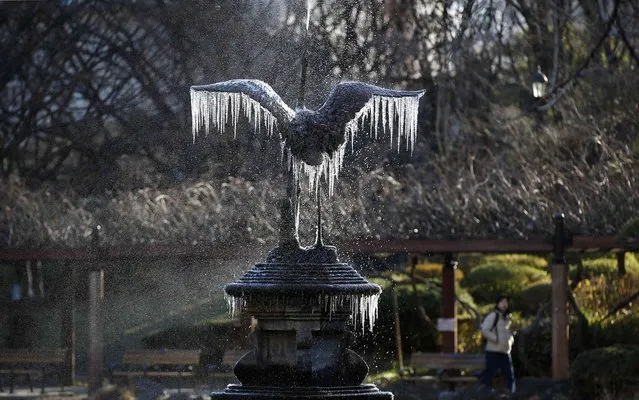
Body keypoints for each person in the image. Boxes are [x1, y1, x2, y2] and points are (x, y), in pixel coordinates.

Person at [479, 295, 516, 394]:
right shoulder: (493, 316)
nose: (504, 304)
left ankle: (512, 395)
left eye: (506, 302)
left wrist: (511, 341)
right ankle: (484, 395)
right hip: (493, 351)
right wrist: (496, 339)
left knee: (509, 375)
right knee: (489, 376)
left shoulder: (508, 318)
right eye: (502, 302)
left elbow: (509, 333)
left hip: (505, 351)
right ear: (497, 304)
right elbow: (484, 330)